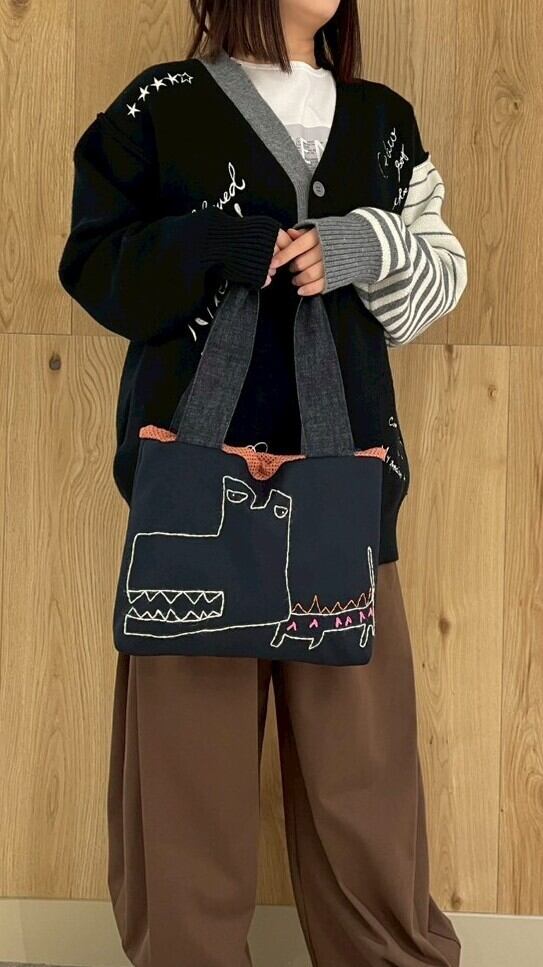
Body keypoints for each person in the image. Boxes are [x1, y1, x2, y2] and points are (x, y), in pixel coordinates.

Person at [58, 1, 468, 964]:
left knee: (363, 790)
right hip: (191, 503)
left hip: (344, 495)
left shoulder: (382, 120)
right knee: (186, 797)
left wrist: (364, 246)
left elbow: (439, 278)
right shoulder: (159, 104)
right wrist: (215, 246)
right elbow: (95, 265)